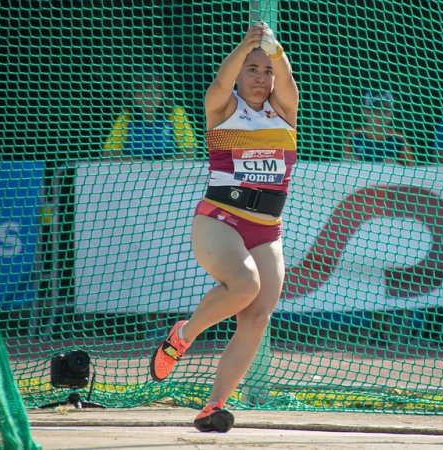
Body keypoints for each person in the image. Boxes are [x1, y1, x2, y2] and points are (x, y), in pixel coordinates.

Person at [148, 21, 299, 433]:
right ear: (239, 73)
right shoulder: (223, 108)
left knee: (258, 316)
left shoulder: (285, 111)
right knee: (245, 285)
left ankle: (213, 406)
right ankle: (183, 334)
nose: (260, 77)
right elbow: (220, 81)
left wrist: (274, 50)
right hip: (220, 220)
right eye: (252, 69)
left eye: (266, 71)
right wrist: (246, 46)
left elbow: (287, 80)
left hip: (267, 230)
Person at [103, 71, 197, 160]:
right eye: (141, 93)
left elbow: (191, 152)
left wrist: (160, 165)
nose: (147, 98)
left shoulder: (175, 113)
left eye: (153, 93)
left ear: (162, 94)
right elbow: (108, 154)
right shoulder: (126, 116)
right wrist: (144, 164)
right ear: (133, 95)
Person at [342, 91, 413, 165]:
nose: (381, 115)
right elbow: (345, 163)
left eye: (386, 111)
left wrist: (395, 164)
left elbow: (411, 167)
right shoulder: (354, 136)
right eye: (376, 110)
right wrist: (350, 161)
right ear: (365, 112)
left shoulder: (399, 139)